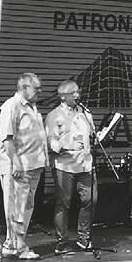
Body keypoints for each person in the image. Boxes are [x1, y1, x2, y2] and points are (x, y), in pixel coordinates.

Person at [0, 73, 48, 260]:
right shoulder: (11, 106)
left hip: (33, 164)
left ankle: (14, 243)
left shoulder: (32, 107)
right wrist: (16, 162)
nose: (40, 92)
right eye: (37, 88)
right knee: (16, 207)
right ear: (24, 87)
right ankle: (17, 246)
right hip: (19, 165)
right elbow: (7, 138)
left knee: (26, 206)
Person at [45, 80, 98, 252]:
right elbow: (51, 141)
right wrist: (63, 146)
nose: (77, 95)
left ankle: (84, 238)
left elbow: (91, 135)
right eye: (73, 93)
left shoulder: (85, 113)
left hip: (85, 163)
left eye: (78, 92)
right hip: (64, 165)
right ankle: (62, 242)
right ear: (62, 96)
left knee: (91, 199)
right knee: (64, 202)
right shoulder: (54, 115)